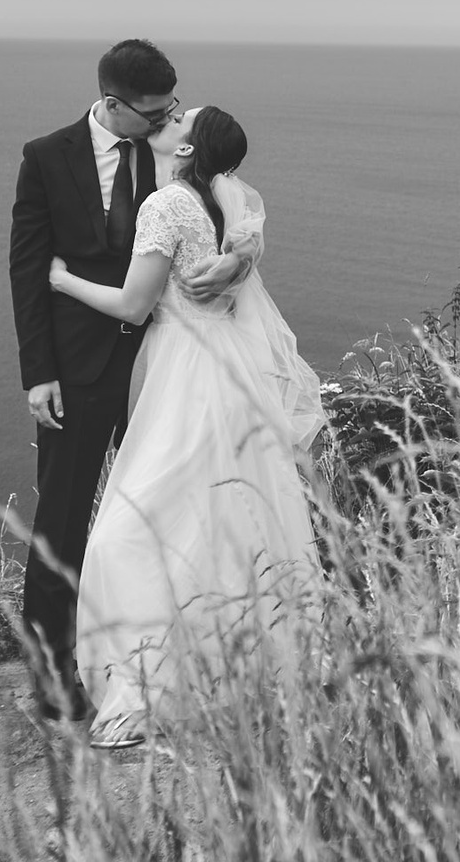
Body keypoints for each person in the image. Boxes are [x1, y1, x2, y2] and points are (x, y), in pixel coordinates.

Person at [47, 105, 323, 749]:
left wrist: (62, 280)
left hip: (187, 375)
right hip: (231, 372)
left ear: (189, 148)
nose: (168, 120)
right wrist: (240, 260)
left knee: (131, 530)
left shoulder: (167, 203)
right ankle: (241, 669)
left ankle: (150, 690)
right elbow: (245, 249)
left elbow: (133, 305)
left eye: (180, 120)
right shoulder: (225, 206)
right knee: (223, 522)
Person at [8, 40, 248, 720]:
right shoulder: (46, 157)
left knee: (163, 516)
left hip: (163, 368)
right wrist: (38, 375)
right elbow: (28, 270)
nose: (167, 118)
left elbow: (225, 212)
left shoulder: (172, 154)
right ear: (113, 103)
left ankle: (151, 659)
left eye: (172, 108)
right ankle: (55, 678)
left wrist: (242, 258)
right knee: (62, 522)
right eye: (154, 111)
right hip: (78, 372)